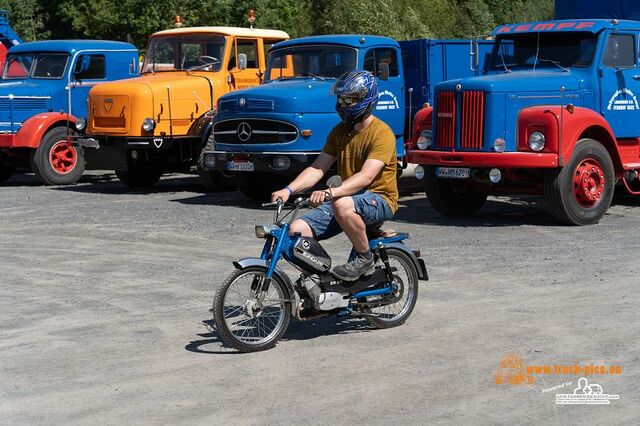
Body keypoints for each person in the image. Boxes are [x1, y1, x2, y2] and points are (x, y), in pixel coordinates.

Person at [271, 70, 398, 281]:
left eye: (349, 100)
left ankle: (364, 257)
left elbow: (366, 177)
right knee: (295, 232)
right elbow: (318, 168)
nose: (343, 104)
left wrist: (331, 193)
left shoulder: (381, 133)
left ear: (366, 101)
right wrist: (288, 190)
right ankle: (324, 281)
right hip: (344, 199)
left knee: (342, 204)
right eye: (341, 99)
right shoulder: (339, 131)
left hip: (380, 198)